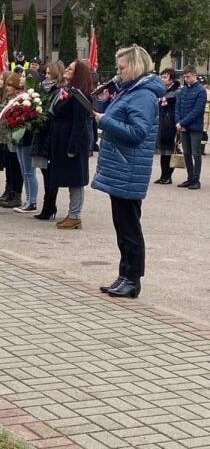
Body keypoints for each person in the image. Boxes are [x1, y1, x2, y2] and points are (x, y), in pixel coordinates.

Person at [92, 44, 165, 299]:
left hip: (129, 167)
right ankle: (124, 275)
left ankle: (132, 279)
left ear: (135, 66)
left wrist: (104, 121)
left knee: (130, 228)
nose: (118, 72)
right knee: (122, 226)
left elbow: (137, 133)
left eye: (122, 67)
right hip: (121, 167)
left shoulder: (143, 95)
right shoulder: (129, 91)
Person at [49, 60, 93, 229]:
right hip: (62, 138)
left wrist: (73, 148)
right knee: (70, 177)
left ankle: (75, 215)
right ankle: (72, 214)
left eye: (70, 68)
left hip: (73, 142)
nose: (66, 70)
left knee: (76, 179)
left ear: (78, 73)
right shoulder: (69, 91)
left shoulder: (80, 95)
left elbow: (79, 124)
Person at [32, 61, 65, 220]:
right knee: (45, 172)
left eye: (49, 73)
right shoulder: (43, 90)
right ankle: (49, 205)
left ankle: (49, 206)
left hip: (51, 135)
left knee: (50, 174)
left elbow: (53, 113)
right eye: (45, 73)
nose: (46, 76)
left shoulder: (58, 91)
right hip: (42, 134)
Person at [13, 69, 41, 213]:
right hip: (19, 136)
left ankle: (32, 201)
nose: (21, 78)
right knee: (24, 171)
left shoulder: (34, 97)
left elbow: (35, 117)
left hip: (28, 137)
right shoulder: (20, 95)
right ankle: (28, 199)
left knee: (30, 172)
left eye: (24, 76)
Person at [175, 65, 207, 190]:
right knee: (186, 153)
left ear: (195, 75)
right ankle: (189, 178)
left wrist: (182, 123)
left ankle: (196, 179)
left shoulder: (200, 90)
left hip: (194, 127)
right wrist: (178, 122)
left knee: (196, 153)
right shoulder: (183, 90)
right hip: (183, 126)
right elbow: (177, 107)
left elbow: (197, 110)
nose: (186, 79)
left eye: (188, 77)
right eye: (185, 77)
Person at [0, 72, 24, 209]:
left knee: (15, 166)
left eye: (10, 86)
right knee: (9, 165)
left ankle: (16, 194)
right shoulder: (9, 99)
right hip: (7, 137)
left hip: (14, 138)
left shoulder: (20, 100)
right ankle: (9, 190)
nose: (7, 88)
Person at [154, 68, 181, 184]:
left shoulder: (177, 92)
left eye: (165, 77)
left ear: (171, 79)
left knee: (170, 151)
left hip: (171, 124)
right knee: (163, 152)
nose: (162, 79)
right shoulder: (162, 91)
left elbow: (178, 109)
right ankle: (163, 176)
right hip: (162, 123)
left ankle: (168, 176)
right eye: (162, 77)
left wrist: (177, 123)